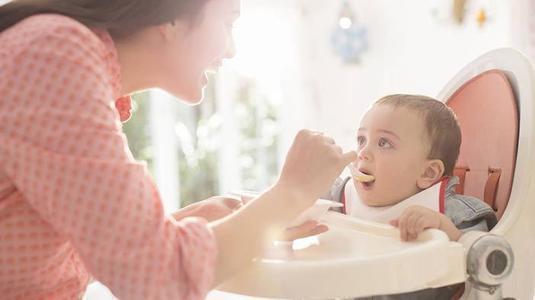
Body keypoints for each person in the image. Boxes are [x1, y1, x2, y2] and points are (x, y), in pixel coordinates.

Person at [0, 0, 357, 299]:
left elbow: (67, 260)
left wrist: (180, 227)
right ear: (172, 16)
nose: (231, 51)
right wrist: (290, 192)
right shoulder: (53, 55)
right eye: (228, 23)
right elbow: (157, 279)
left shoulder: (64, 60)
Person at [326, 94, 497, 299]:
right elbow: (296, 207)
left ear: (428, 173)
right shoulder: (337, 196)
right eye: (361, 139)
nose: (363, 152)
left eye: (384, 143)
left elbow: (483, 260)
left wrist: (445, 231)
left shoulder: (454, 214)